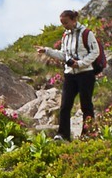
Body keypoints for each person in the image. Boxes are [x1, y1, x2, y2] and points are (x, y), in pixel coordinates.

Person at [36, 8, 99, 140]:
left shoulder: (86, 33)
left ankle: (88, 134)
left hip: (85, 74)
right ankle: (63, 134)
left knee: (86, 105)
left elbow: (95, 52)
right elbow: (64, 55)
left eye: (65, 22)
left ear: (73, 20)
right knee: (65, 105)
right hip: (70, 74)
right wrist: (46, 50)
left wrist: (80, 63)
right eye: (62, 23)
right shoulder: (65, 36)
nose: (64, 25)